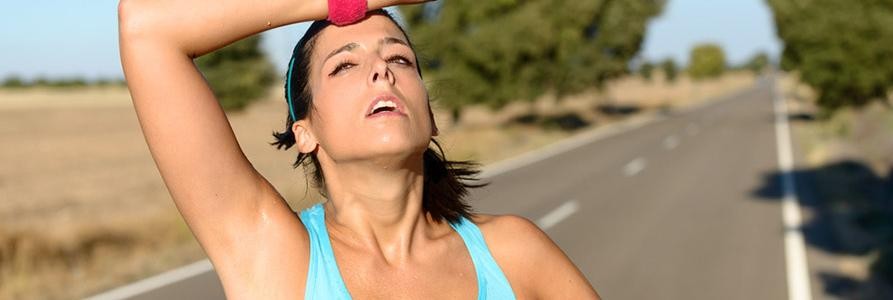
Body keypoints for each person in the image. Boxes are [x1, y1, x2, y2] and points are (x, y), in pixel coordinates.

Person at [118, 0, 599, 298]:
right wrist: (345, 2)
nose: (381, 71)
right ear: (304, 131)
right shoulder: (277, 257)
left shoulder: (514, 253)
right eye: (344, 67)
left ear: (429, 116)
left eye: (399, 58)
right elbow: (146, 25)